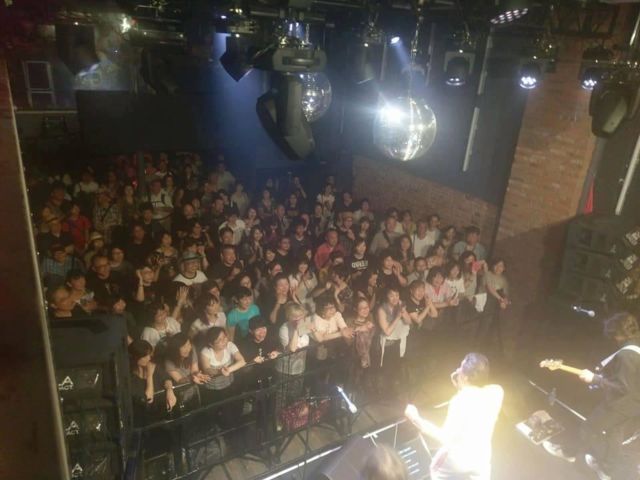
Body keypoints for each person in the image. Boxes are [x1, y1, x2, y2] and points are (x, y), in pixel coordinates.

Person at [544, 312, 640, 479]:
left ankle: (569, 453)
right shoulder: (636, 346)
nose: (613, 339)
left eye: (614, 335)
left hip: (619, 404)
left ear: (618, 334)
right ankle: (608, 469)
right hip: (633, 405)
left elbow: (622, 387)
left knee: (588, 428)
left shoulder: (626, 355)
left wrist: (595, 379)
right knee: (614, 433)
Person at [405, 352, 504, 480]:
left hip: (459, 460)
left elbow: (444, 437)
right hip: (482, 456)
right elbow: (477, 396)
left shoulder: (459, 402)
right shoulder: (497, 392)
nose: (457, 369)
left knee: (435, 470)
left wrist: (415, 418)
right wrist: (461, 387)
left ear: (466, 377)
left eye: (460, 367)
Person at [128, 340, 176, 426]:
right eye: (145, 356)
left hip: (162, 415)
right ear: (136, 357)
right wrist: (149, 375)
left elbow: (167, 379)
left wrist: (169, 390)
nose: (149, 358)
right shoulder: (130, 378)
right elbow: (148, 399)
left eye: (149, 354)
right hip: (145, 421)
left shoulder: (154, 367)